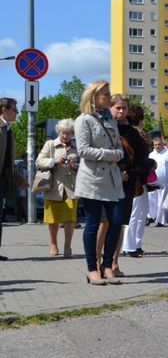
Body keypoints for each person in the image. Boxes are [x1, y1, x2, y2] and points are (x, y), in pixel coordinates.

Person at [74, 80, 124, 285]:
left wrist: (117, 154)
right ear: (93, 97)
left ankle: (107, 265)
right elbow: (83, 151)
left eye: (108, 93)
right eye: (105, 94)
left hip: (112, 179)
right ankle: (91, 269)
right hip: (92, 179)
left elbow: (120, 148)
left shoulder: (110, 119)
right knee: (93, 224)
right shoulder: (84, 120)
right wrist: (110, 154)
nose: (109, 97)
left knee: (116, 221)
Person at [98, 95, 150, 274]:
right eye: (117, 108)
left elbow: (144, 160)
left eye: (124, 108)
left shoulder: (133, 133)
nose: (121, 112)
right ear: (110, 108)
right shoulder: (102, 127)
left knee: (118, 223)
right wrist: (115, 172)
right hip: (103, 182)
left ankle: (113, 263)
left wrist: (130, 173)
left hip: (126, 183)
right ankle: (97, 263)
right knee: (103, 223)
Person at [36, 118, 79, 257]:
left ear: (73, 133)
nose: (65, 135)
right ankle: (53, 243)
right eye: (63, 132)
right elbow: (39, 161)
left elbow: (85, 166)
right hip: (54, 187)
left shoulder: (77, 147)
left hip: (72, 188)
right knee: (52, 219)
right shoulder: (50, 145)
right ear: (58, 131)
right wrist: (53, 161)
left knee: (70, 220)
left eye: (68, 133)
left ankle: (68, 246)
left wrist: (75, 165)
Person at [122, 105, 155, 258]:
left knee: (141, 214)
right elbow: (138, 158)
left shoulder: (139, 134)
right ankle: (129, 246)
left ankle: (136, 244)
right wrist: (149, 163)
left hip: (141, 178)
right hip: (135, 177)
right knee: (134, 214)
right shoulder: (133, 134)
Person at [1, 98, 20, 261]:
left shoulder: (7, 129)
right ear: (4, 110)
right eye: (15, 109)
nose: (17, 113)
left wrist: (18, 178)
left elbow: (8, 159)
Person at [147, 137, 168, 227]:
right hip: (153, 180)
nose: (157, 146)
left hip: (166, 181)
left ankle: (161, 220)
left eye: (159, 144)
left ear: (163, 144)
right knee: (152, 199)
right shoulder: (151, 154)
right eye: (155, 145)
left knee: (162, 200)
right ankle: (152, 216)